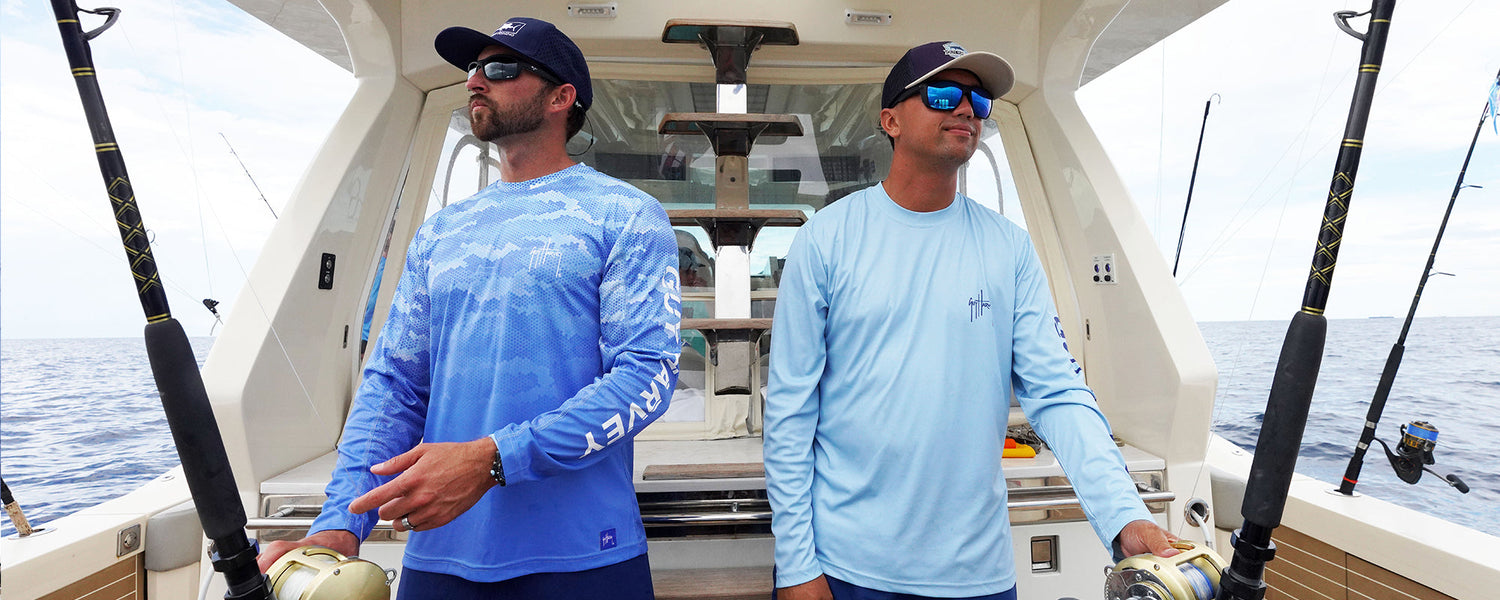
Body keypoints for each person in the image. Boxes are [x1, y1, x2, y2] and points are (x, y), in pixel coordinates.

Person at [255, 17, 682, 600]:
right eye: (473, 69)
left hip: (585, 557)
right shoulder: (440, 233)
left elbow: (646, 378)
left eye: (501, 69)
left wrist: (493, 460)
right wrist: (340, 525)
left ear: (562, 98)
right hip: (440, 559)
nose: (476, 81)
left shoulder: (626, 214)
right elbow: (394, 385)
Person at [763, 41, 1179, 600]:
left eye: (979, 101)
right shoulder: (826, 238)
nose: (965, 109)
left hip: (975, 574)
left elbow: (1056, 391)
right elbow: (790, 410)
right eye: (942, 94)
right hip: (846, 566)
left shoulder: (1010, 248)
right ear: (891, 121)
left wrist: (1125, 516)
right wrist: (795, 566)